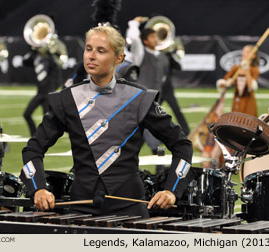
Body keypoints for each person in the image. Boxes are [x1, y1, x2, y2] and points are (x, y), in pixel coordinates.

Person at [20, 26, 193, 218]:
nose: (91, 56)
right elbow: (32, 149)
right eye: (88, 49)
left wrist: (171, 190)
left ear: (118, 58)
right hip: (81, 209)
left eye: (101, 51)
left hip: (130, 209)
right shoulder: (67, 99)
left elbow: (182, 145)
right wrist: (38, 188)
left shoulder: (138, 98)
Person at [126, 17, 190, 157]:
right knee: (140, 131)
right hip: (140, 100)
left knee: (148, 131)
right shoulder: (140, 54)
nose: (156, 39)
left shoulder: (163, 57)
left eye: (156, 36)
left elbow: (164, 77)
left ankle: (156, 158)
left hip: (153, 100)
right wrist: (134, 23)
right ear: (145, 41)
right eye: (152, 37)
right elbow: (134, 38)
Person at [22, 45, 63, 136]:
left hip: (48, 94)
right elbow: (24, 62)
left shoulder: (50, 59)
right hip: (40, 93)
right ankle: (34, 135)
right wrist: (33, 51)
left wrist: (50, 52)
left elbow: (57, 67)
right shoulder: (36, 59)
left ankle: (46, 139)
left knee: (47, 119)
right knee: (26, 114)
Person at [217, 45, 259, 117]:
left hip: (248, 102)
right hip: (236, 100)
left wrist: (247, 70)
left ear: (253, 55)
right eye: (244, 51)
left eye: (247, 52)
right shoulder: (236, 67)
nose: (244, 54)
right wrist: (227, 83)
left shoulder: (254, 69)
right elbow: (222, 83)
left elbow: (251, 87)